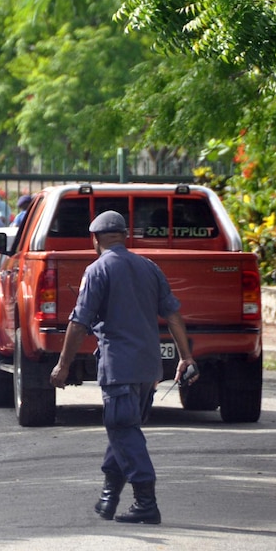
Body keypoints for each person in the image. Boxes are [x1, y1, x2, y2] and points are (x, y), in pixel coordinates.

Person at [50, 211, 199, 525]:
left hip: (119, 366)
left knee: (122, 428)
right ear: (124, 236)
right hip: (149, 368)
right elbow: (173, 316)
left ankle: (146, 502)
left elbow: (78, 324)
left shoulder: (97, 270)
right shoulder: (149, 267)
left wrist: (63, 366)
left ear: (95, 240)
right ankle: (108, 498)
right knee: (124, 429)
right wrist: (186, 358)